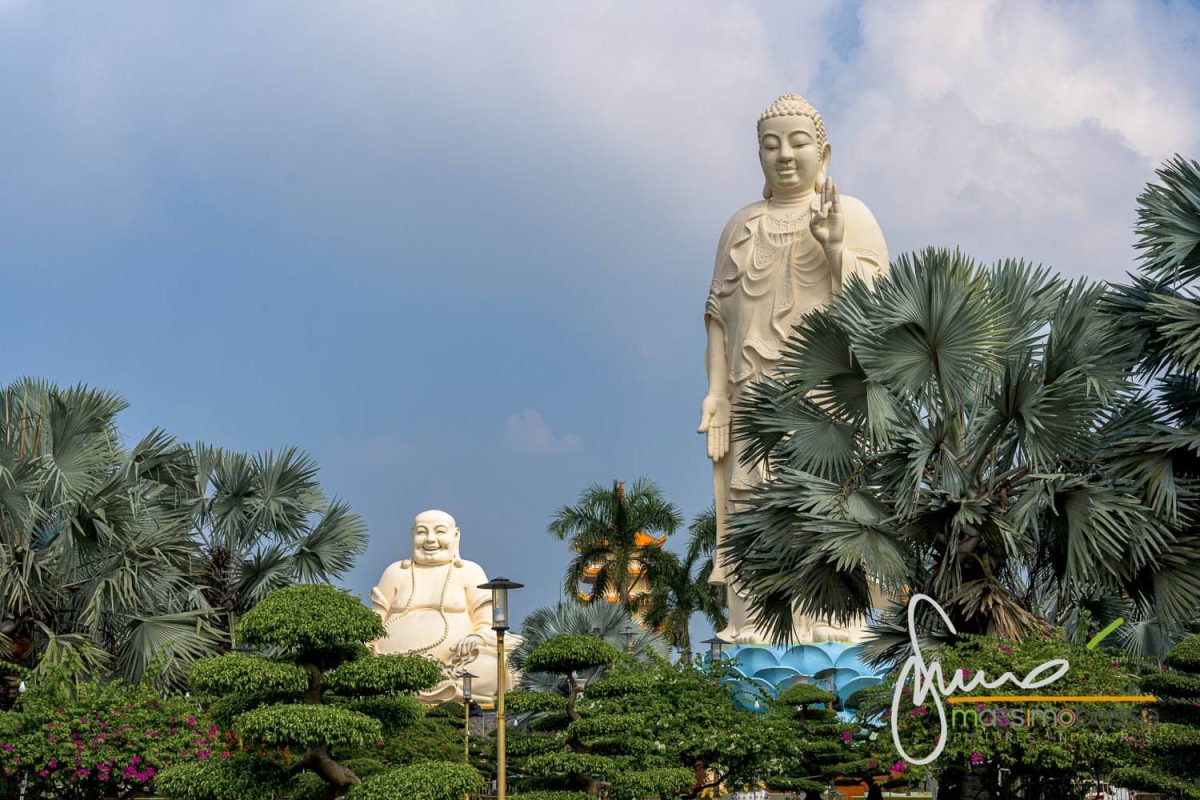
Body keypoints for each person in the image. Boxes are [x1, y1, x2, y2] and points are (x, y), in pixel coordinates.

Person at [698, 94, 888, 643]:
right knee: (751, 497)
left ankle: (831, 617)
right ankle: (756, 618)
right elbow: (719, 318)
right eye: (771, 144)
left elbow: (879, 308)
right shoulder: (740, 225)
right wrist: (716, 393)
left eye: (798, 143)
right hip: (753, 387)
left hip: (825, 394)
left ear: (822, 151)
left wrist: (834, 250)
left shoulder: (849, 213)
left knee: (825, 494)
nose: (784, 155)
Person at [369, 509, 518, 703]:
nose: (430, 539)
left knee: (497, 667)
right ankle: (428, 689)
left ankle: (442, 690)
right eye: (422, 532)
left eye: (439, 531)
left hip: (455, 665)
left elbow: (488, 623)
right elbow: (372, 623)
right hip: (387, 666)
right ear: (412, 534)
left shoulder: (469, 572)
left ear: (456, 535)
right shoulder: (395, 572)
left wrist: (477, 637)